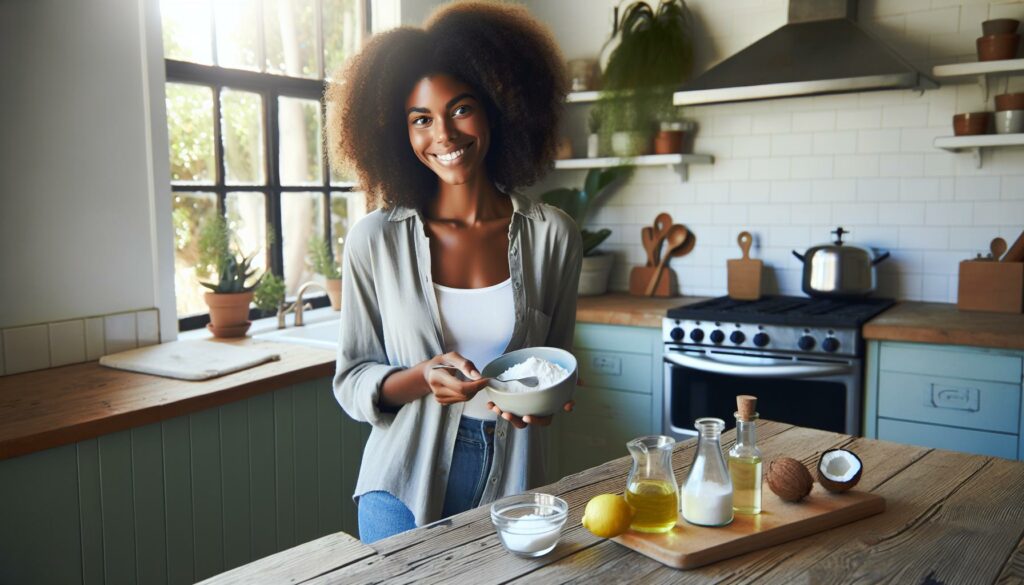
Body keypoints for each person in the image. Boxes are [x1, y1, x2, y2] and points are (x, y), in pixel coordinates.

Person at [325, 1, 582, 544]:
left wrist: (544, 405)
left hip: (514, 486)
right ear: (399, 133)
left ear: (497, 110)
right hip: (399, 481)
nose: (443, 134)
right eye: (421, 119)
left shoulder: (553, 235)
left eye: (461, 109)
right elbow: (351, 382)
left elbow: (558, 368)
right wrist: (423, 378)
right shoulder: (375, 240)